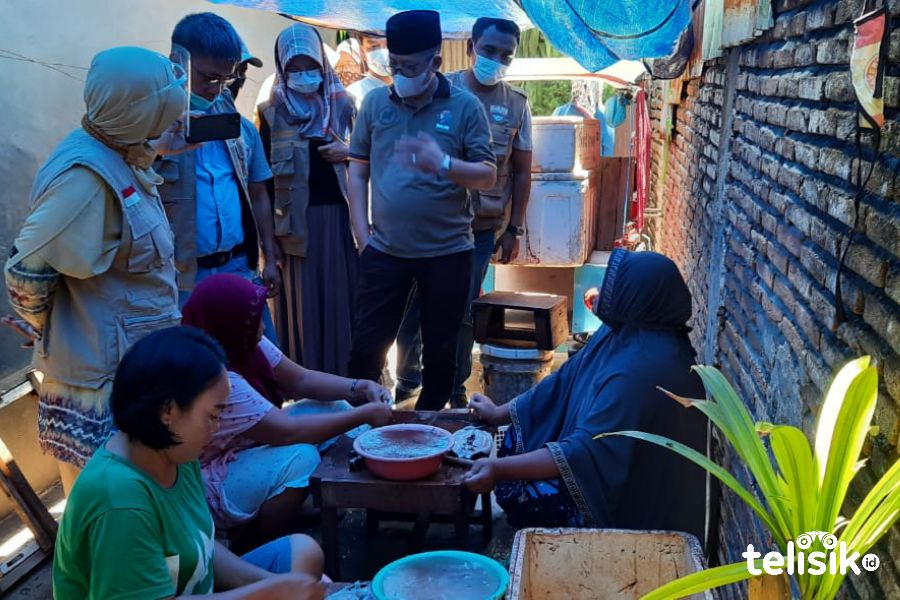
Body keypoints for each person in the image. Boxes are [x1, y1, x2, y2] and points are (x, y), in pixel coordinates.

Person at [3, 46, 188, 493]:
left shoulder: (120, 152)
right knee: (115, 523)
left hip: (135, 370)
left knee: (148, 518)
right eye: (165, 107)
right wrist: (47, 326)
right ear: (137, 111)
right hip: (103, 386)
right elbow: (27, 272)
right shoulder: (85, 176)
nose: (175, 118)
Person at [53, 326, 324, 599]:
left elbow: (202, 546)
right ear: (168, 412)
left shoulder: (175, 450)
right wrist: (269, 593)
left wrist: (275, 586)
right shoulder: (119, 502)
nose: (216, 427)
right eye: (212, 415)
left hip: (190, 588)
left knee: (304, 553)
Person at [463, 249, 708, 542]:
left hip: (632, 494)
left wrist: (497, 469)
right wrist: (498, 412)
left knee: (533, 495)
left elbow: (584, 452)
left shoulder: (641, 372)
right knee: (517, 436)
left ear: (637, 296)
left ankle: (567, 543)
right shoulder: (621, 332)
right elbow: (564, 380)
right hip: (602, 455)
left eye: (614, 286)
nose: (602, 292)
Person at [347, 10, 497, 411]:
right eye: (395, 65)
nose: (400, 73)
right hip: (386, 251)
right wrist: (363, 237)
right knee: (367, 346)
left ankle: (431, 424)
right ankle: (357, 424)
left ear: (436, 62)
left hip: (447, 253)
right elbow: (357, 171)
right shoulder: (376, 104)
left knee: (442, 349)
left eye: (410, 66)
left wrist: (444, 164)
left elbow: (487, 175)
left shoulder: (465, 109)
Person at [181, 274, 392, 550]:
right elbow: (289, 431)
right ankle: (250, 543)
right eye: (252, 317)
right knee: (302, 458)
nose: (261, 325)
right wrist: (365, 413)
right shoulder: (220, 378)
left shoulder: (242, 340)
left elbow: (301, 380)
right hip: (208, 480)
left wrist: (359, 388)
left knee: (336, 408)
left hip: (244, 446)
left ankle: (298, 504)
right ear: (229, 323)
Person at [395, 17, 534, 407]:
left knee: (460, 313)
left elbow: (522, 172)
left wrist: (515, 230)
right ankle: (407, 383)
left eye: (506, 55)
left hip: (479, 230)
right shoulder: (439, 89)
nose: (496, 60)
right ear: (471, 47)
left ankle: (454, 390)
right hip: (424, 225)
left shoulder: (517, 106)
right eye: (489, 50)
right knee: (412, 308)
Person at [156, 12, 280, 344]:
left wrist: (270, 257)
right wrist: (157, 146)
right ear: (178, 62)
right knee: (195, 372)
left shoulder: (241, 131)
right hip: (181, 279)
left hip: (239, 268)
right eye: (209, 77)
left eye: (225, 80)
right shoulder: (148, 129)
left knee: (261, 361)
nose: (216, 89)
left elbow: (259, 195)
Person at [257, 23, 358, 376]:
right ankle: (307, 385)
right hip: (295, 229)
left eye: (310, 65)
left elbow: (377, 160)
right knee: (303, 308)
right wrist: (270, 247)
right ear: (281, 69)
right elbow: (263, 184)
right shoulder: (272, 111)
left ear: (322, 63)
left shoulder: (345, 105)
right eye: (294, 68)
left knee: (341, 302)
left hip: (340, 223)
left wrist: (350, 152)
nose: (303, 75)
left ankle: (346, 382)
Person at [346, 33, 392, 109]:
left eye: (390, 45)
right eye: (374, 46)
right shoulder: (354, 95)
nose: (384, 54)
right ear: (362, 52)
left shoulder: (412, 90)